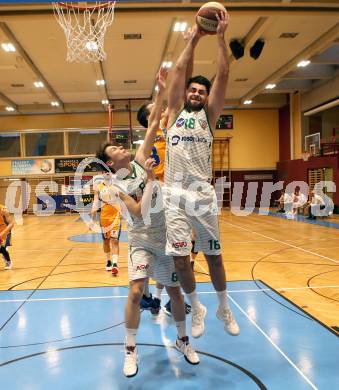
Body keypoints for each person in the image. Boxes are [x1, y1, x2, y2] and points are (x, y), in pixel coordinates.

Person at [96, 67, 199, 378]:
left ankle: (183, 340)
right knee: (136, 291)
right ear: (110, 163)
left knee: (175, 293)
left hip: (166, 236)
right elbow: (139, 212)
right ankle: (130, 349)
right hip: (142, 241)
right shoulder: (115, 187)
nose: (121, 147)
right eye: (114, 148)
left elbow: (154, 120)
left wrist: (161, 89)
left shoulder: (140, 158)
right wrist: (153, 180)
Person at [163, 13, 239, 338]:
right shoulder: (173, 112)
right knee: (181, 262)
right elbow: (180, 72)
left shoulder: (209, 116)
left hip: (202, 194)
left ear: (207, 98)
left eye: (200, 91)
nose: (195, 93)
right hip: (173, 195)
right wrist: (193, 39)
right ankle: (197, 308)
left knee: (214, 257)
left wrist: (220, 38)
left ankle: (224, 306)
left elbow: (223, 73)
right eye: (192, 90)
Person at [91, 172, 122, 273]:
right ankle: (108, 260)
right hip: (104, 217)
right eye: (104, 171)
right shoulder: (98, 186)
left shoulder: (117, 185)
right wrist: (92, 220)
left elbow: (124, 199)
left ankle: (115, 264)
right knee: (106, 241)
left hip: (116, 216)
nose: (107, 173)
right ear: (102, 174)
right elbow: (95, 202)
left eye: (108, 171)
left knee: (115, 240)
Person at [0, 204, 14, 270]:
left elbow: (11, 223)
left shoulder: (3, 210)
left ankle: (9, 262)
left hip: (5, 232)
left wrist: (3, 233)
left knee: (2, 248)